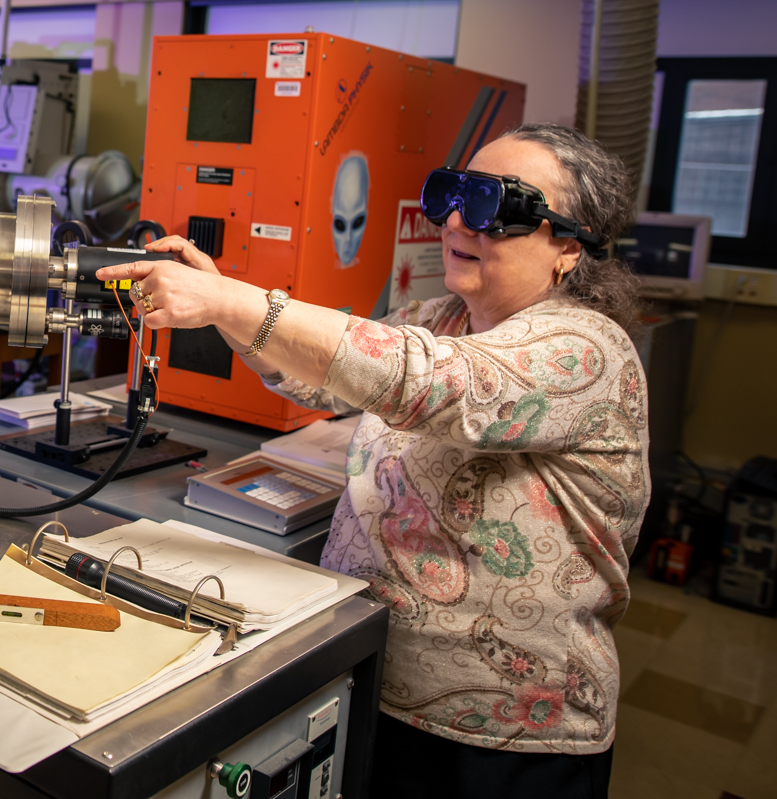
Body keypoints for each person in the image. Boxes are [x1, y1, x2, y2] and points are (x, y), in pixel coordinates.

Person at [99, 124, 646, 799]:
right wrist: (224, 303)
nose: (453, 219)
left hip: (505, 736)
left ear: (568, 243)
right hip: (376, 675)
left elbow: (425, 380)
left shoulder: (586, 350)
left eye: (493, 206)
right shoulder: (444, 315)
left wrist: (232, 302)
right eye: (454, 193)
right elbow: (328, 376)